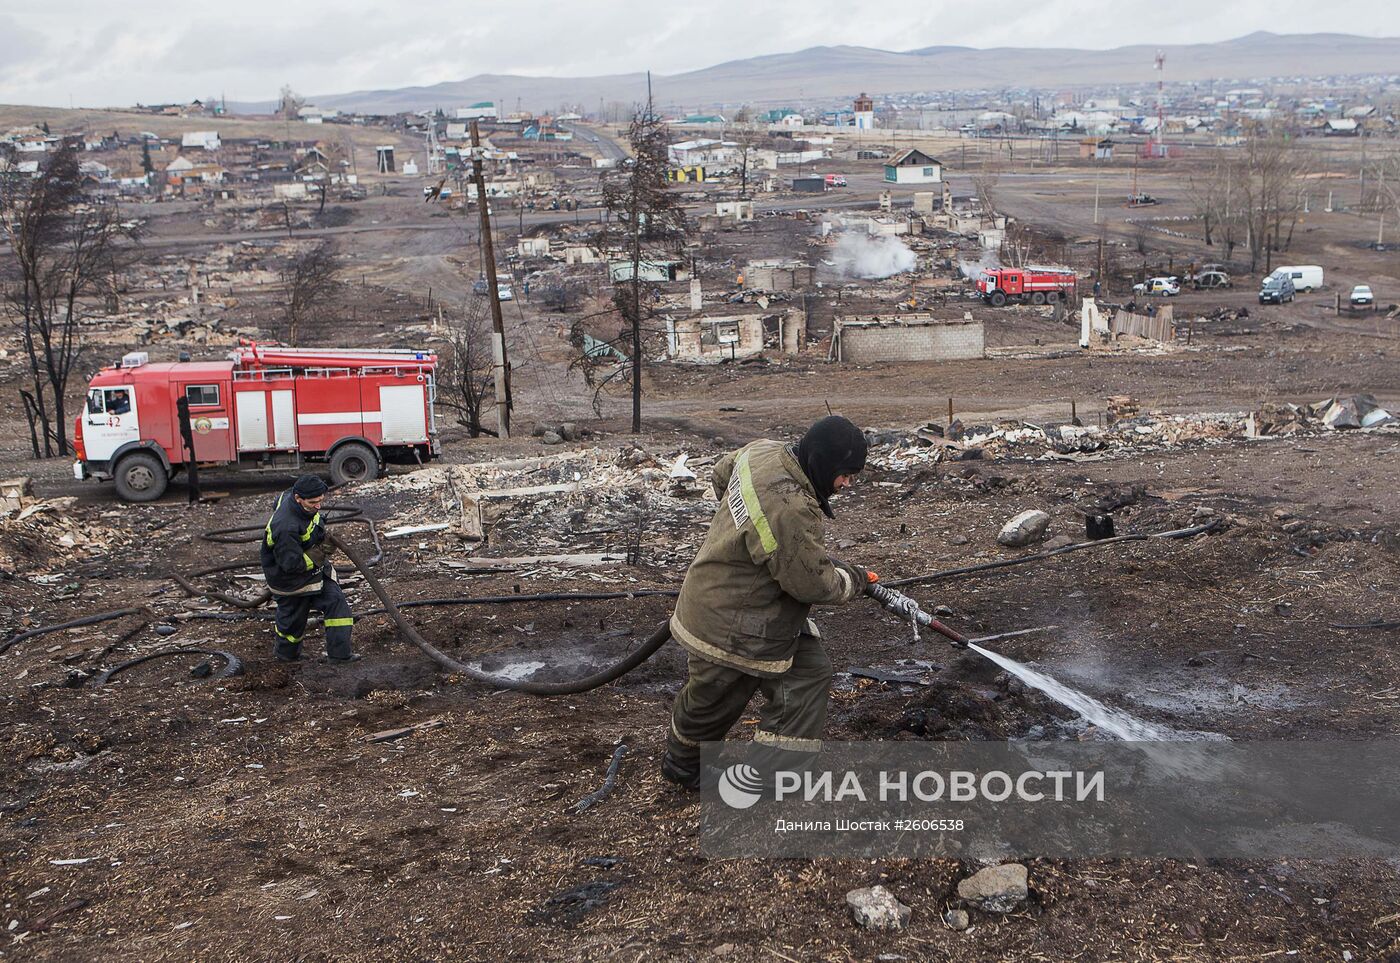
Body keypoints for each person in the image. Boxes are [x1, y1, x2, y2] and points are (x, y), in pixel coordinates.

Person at [662, 416, 877, 790]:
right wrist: (854, 580)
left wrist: (745, 533)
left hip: (749, 605)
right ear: (823, 462)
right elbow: (814, 585)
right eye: (845, 474)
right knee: (714, 697)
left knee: (808, 673)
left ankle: (771, 775)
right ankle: (686, 766)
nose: (847, 484)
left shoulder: (762, 453)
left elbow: (720, 474)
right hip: (732, 623)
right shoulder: (791, 506)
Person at [259, 475, 360, 663]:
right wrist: (321, 551)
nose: (318, 506)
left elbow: (287, 506)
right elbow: (292, 565)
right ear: (298, 498)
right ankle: (286, 656)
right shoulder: (286, 527)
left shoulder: (290, 497)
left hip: (315, 572)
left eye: (321, 501)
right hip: (292, 582)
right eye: (313, 502)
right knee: (292, 622)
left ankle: (340, 656)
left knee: (337, 604)